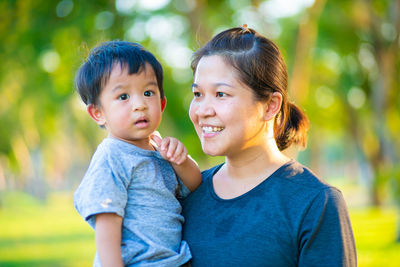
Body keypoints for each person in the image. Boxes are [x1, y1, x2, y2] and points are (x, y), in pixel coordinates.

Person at [182, 26, 357, 266]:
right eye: (198, 94)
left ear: (271, 105)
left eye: (221, 94)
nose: (202, 110)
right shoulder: (187, 194)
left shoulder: (314, 202)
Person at [73, 41, 201, 267]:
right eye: (123, 97)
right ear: (98, 113)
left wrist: (180, 161)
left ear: (161, 104)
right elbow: (106, 221)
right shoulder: (112, 156)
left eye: (148, 92)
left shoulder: (159, 147)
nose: (140, 104)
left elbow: (195, 185)